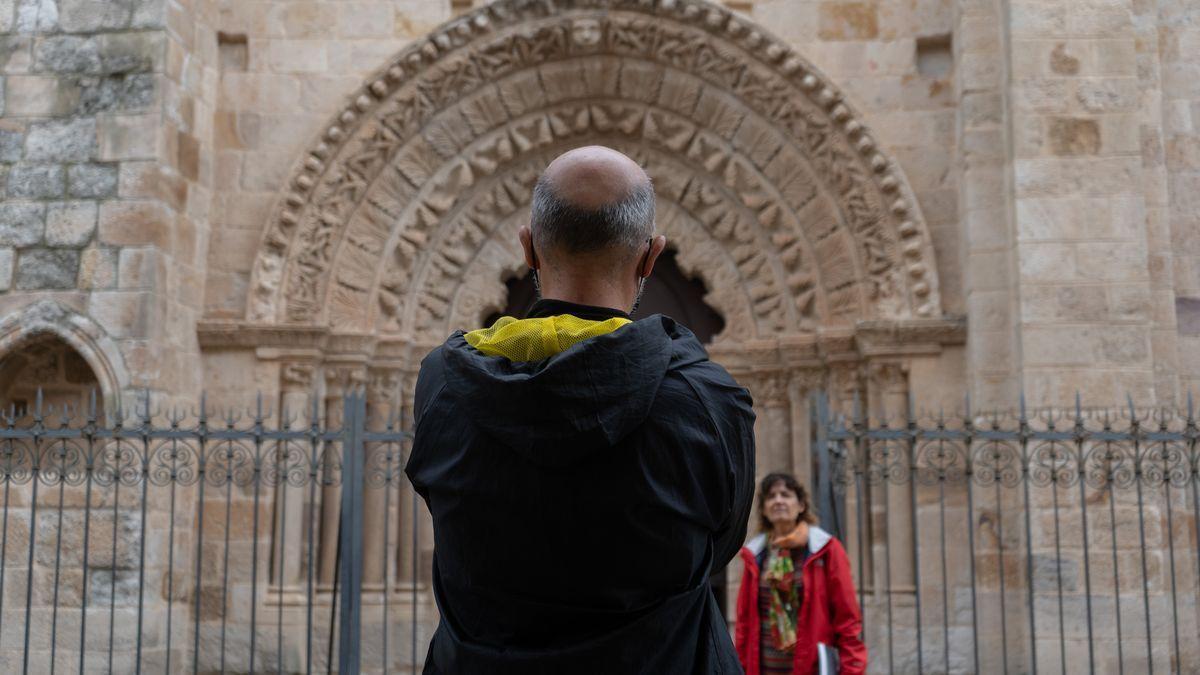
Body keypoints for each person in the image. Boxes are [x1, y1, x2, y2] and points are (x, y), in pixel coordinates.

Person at [405, 145, 756, 674]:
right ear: (650, 257)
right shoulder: (707, 400)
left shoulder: (444, 384)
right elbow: (720, 543)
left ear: (528, 248)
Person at [734, 473, 866, 674]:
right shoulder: (756, 555)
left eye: (785, 494)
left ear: (801, 505)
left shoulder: (825, 550)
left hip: (810, 667)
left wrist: (852, 669)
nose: (778, 500)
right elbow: (744, 623)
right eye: (771, 496)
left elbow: (847, 618)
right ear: (764, 510)